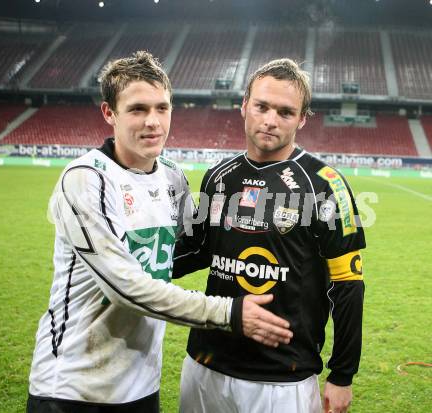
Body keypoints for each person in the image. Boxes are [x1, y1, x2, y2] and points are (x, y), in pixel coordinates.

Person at [26, 51, 293, 413]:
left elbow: (198, 247)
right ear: (109, 113)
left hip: (141, 386)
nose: (153, 122)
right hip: (73, 387)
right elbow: (125, 287)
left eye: (162, 108)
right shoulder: (86, 180)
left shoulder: (171, 176)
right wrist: (229, 313)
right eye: (137, 109)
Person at [173, 58, 366, 413]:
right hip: (204, 363)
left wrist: (342, 375)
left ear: (302, 118)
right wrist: (127, 269)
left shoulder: (326, 185)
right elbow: (198, 249)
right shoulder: (219, 176)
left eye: (285, 112)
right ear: (244, 105)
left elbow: (348, 288)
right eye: (261, 106)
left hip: (282, 378)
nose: (270, 119)